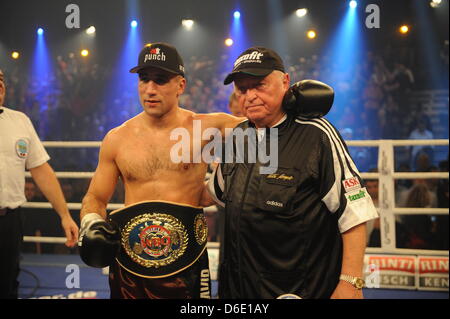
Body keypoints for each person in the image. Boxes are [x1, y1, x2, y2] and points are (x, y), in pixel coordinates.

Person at [78, 42, 330, 299]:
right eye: (144, 80)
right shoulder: (116, 139)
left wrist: (293, 101)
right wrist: (91, 223)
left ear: (180, 85)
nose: (150, 89)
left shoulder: (206, 128)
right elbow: (95, 198)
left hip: (186, 264)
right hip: (130, 266)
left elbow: (269, 125)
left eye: (161, 80)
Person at [202, 47, 379, 299]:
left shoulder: (316, 134)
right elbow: (214, 194)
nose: (250, 95)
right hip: (239, 289)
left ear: (285, 82)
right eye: (242, 89)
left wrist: (351, 282)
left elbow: (354, 213)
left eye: (259, 85)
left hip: (299, 289)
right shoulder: (238, 138)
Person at [0, 69, 79, 299]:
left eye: (2, 80)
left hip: (10, 220)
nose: (0, 86)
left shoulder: (20, 121)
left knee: (7, 285)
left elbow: (41, 170)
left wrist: (64, 215)